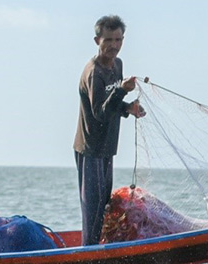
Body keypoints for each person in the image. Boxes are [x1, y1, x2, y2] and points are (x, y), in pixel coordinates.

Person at [73, 15, 145, 246]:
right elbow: (100, 113)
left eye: (119, 40)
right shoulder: (94, 73)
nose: (114, 46)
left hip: (107, 147)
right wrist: (122, 91)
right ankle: (89, 255)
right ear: (97, 40)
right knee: (92, 209)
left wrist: (128, 108)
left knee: (104, 204)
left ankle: (96, 248)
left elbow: (111, 105)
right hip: (90, 149)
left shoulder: (118, 65)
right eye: (109, 40)